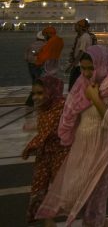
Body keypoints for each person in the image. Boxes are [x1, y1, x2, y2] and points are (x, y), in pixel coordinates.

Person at [37, 45, 108, 226]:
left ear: (104, 64)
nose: (87, 73)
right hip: (86, 146)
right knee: (76, 191)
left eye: (92, 68)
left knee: (96, 197)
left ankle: (95, 222)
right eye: (83, 68)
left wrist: (95, 97)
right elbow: (72, 109)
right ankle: (99, 222)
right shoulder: (83, 81)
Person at [23, 76, 70, 225]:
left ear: (51, 92)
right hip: (44, 153)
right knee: (39, 186)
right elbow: (44, 131)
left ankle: (94, 217)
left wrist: (30, 146)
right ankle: (47, 220)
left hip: (60, 153)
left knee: (64, 191)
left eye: (40, 93)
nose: (35, 97)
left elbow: (49, 132)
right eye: (34, 93)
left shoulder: (61, 108)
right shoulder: (44, 107)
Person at [67, 19, 97, 90]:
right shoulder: (82, 36)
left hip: (79, 65)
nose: (75, 27)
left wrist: (73, 65)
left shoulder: (84, 37)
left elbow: (81, 52)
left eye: (76, 26)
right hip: (79, 64)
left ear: (81, 27)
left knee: (74, 86)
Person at [24, 31, 46, 110]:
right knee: (38, 84)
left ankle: (31, 102)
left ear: (37, 38)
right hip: (39, 66)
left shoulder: (31, 45)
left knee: (35, 82)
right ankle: (30, 102)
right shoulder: (45, 45)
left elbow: (26, 58)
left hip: (30, 66)